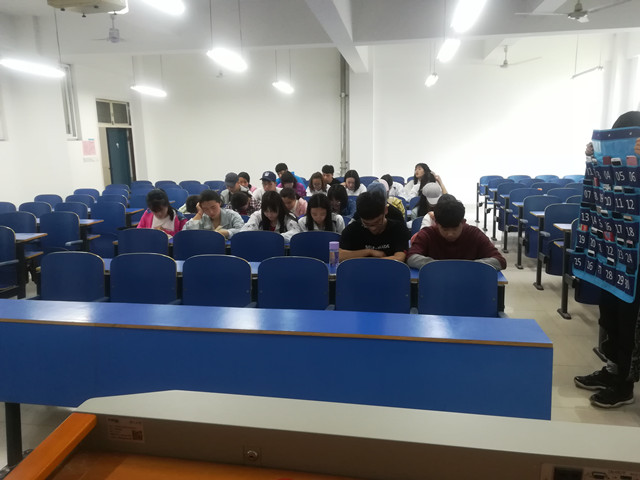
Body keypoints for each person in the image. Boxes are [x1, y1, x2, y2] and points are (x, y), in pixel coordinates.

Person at [574, 111, 640, 408]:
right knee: (609, 315)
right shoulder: (621, 166)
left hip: (634, 266)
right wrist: (595, 160)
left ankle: (624, 384)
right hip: (613, 257)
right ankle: (612, 369)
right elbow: (602, 194)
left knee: (629, 324)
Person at [406, 194, 506, 270]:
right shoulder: (427, 234)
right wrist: (439, 265)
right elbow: (411, 257)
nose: (450, 234)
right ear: (437, 223)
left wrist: (468, 266)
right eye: (445, 229)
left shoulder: (474, 234)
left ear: (463, 222)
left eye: (455, 229)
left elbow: (499, 260)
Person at [339, 191, 410, 261]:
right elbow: (338, 255)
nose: (373, 228)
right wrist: (369, 252)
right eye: (366, 224)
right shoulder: (352, 230)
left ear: (385, 210)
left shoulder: (399, 229)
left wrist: (371, 261)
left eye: (377, 222)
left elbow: (399, 258)